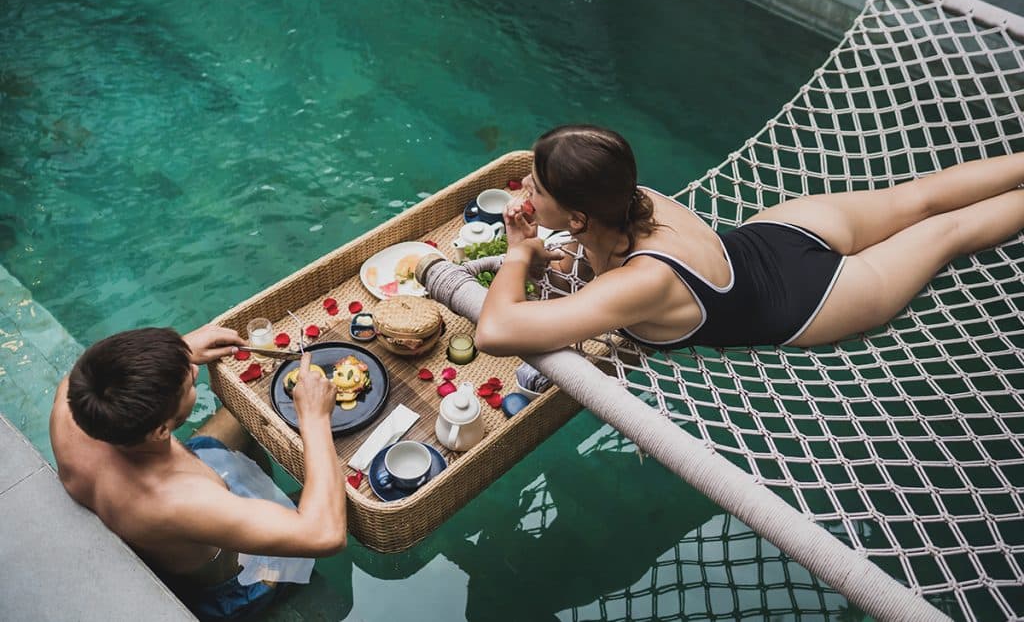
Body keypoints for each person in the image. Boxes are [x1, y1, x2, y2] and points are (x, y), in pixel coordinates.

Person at [475, 124, 1024, 355]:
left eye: (536, 185)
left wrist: (521, 253)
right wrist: (554, 250)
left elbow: (497, 331)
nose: (523, 186)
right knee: (919, 199)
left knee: (946, 230)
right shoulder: (632, 196)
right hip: (780, 234)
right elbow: (598, 245)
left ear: (576, 216)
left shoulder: (642, 281)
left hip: (817, 298)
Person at [49, 324, 346, 620]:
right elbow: (325, 533)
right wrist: (315, 418)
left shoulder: (75, 402)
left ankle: (281, 497)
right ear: (161, 430)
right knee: (331, 509)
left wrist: (181, 349)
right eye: (188, 384)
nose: (193, 371)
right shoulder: (174, 500)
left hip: (187, 479)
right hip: (239, 578)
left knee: (257, 400)